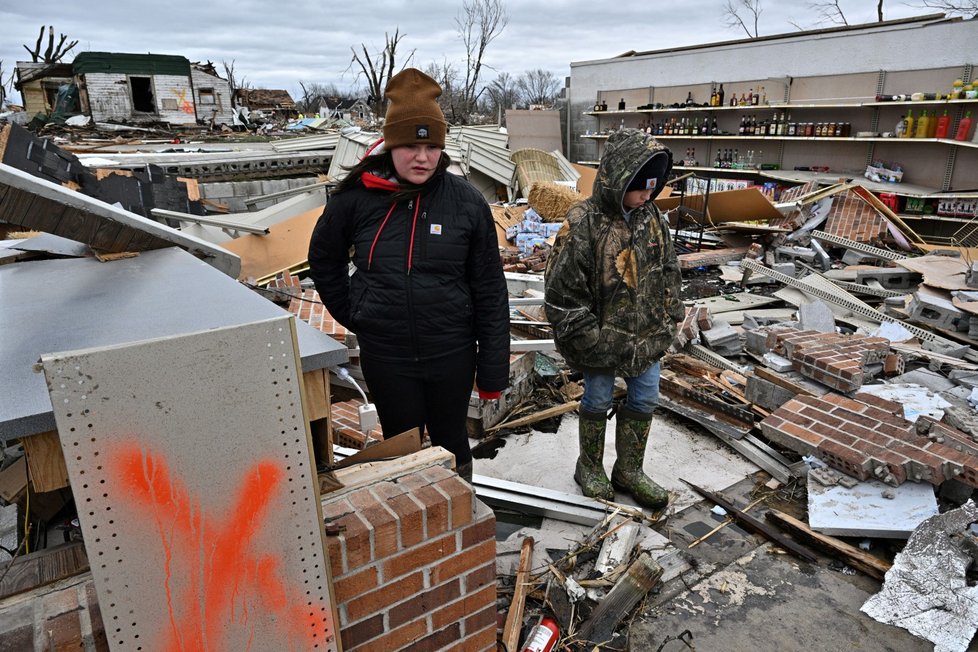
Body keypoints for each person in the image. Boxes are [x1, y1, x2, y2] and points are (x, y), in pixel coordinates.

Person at [307, 68, 510, 482]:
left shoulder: (466, 204)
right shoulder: (358, 198)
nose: (423, 158)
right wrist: (357, 311)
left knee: (451, 440)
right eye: (412, 146)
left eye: (433, 146)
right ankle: (413, 512)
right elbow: (323, 258)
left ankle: (459, 508)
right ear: (391, 144)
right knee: (401, 443)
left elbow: (490, 289)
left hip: (450, 352)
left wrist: (492, 371)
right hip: (388, 357)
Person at [544, 128, 683, 508]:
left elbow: (668, 269)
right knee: (597, 398)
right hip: (600, 342)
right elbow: (561, 292)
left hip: (647, 338)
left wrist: (670, 316)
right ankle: (589, 466)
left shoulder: (651, 217)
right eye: (640, 188)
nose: (647, 196)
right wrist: (590, 338)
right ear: (618, 180)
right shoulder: (584, 222)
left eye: (653, 188)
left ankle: (629, 470)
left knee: (645, 399)